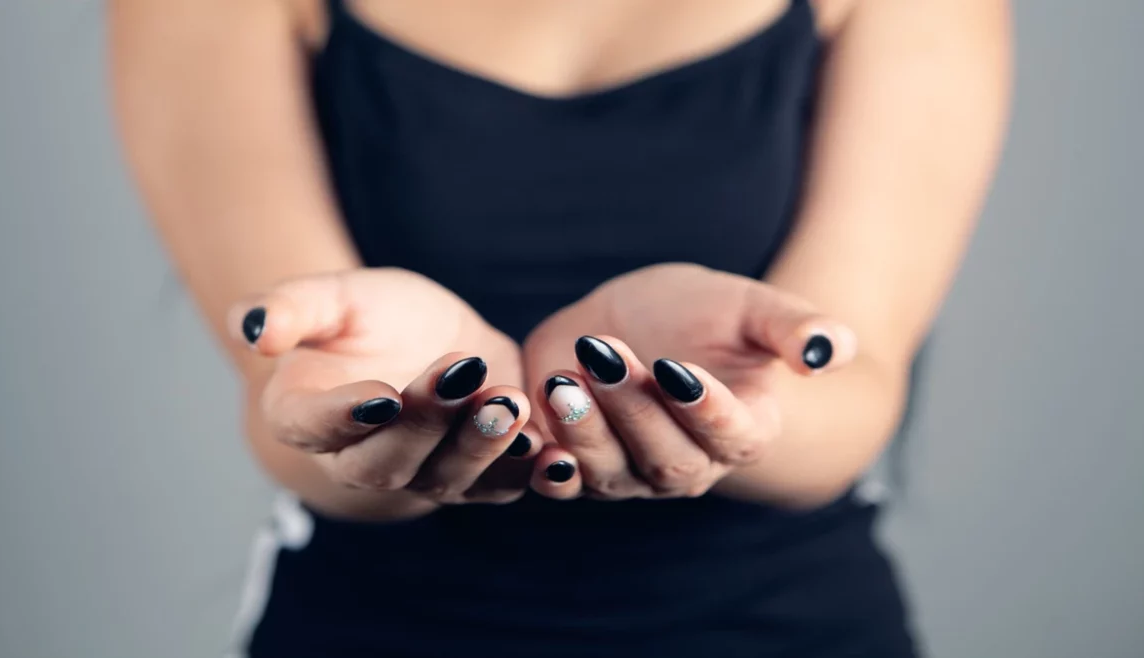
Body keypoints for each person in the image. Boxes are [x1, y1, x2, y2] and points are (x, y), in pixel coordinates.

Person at [108, 0, 1010, 655]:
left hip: (787, 630)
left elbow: (855, 386)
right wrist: (373, 403)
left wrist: (750, 403)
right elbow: (290, 404)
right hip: (372, 630)